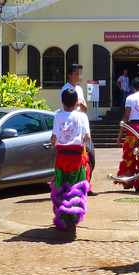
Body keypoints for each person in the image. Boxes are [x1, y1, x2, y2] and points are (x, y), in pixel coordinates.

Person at [50, 88, 92, 234]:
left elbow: (53, 138)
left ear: (62, 101)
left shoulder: (57, 116)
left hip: (61, 157)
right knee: (76, 188)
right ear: (76, 102)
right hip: (76, 157)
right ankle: (72, 217)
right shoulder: (82, 117)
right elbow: (87, 138)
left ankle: (62, 216)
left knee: (60, 186)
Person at [62, 64, 97, 196]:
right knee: (80, 159)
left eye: (79, 73)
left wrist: (81, 105)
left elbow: (84, 107)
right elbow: (68, 106)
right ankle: (78, 187)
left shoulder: (79, 89)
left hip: (82, 124)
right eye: (76, 74)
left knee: (89, 158)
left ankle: (86, 184)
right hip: (73, 127)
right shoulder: (66, 89)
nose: (78, 76)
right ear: (70, 75)